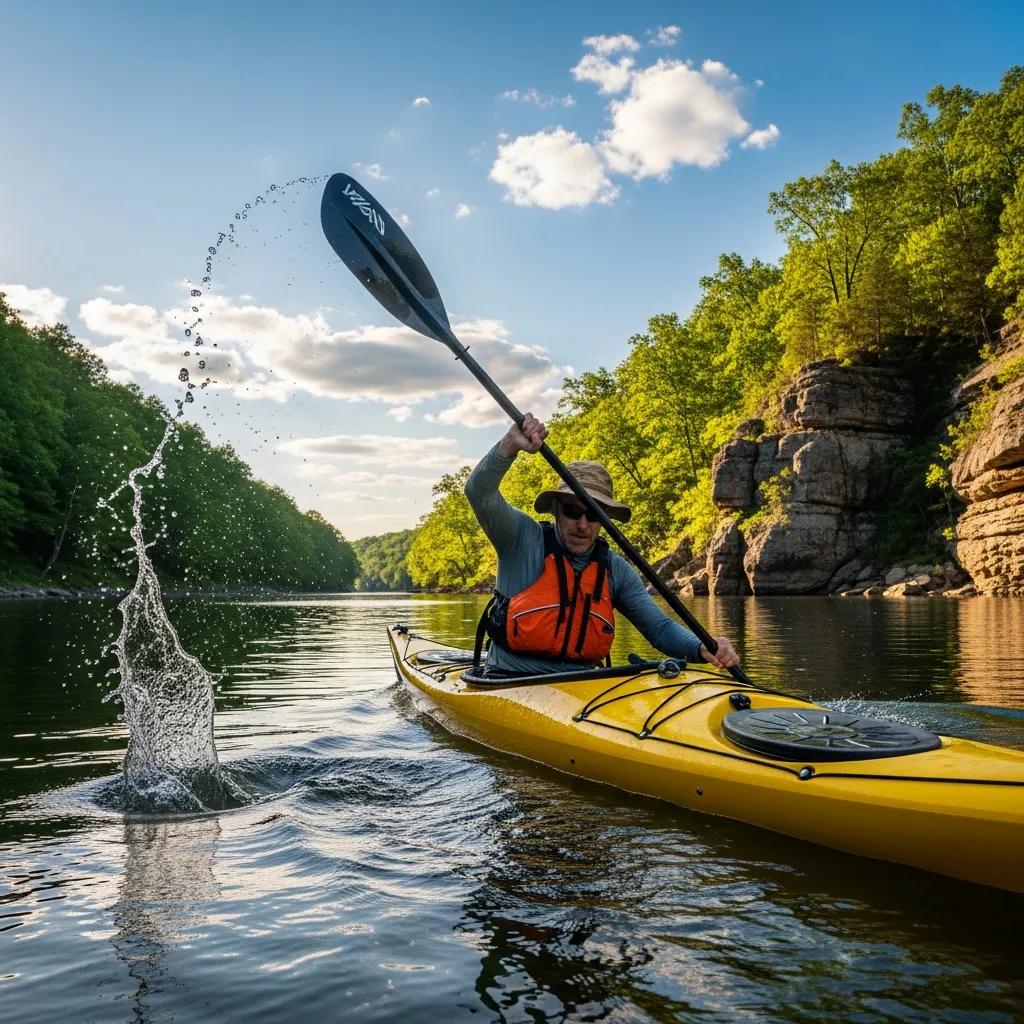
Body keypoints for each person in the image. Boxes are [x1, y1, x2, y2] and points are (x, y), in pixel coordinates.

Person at [465, 412, 741, 677]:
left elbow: (659, 629)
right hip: (508, 678)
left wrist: (701, 647)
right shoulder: (520, 539)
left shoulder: (615, 570)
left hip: (585, 687)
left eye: (594, 514)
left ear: (605, 519)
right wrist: (509, 446)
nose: (583, 525)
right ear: (556, 511)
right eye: (573, 512)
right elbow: (479, 492)